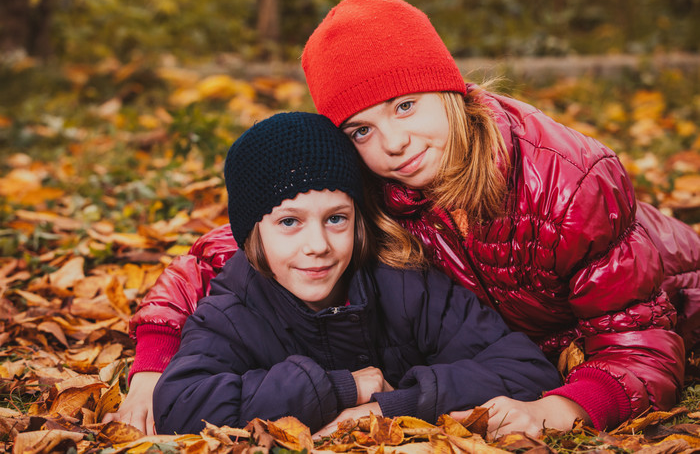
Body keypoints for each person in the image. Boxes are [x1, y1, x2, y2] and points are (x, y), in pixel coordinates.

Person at [106, 0, 700, 437]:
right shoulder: (368, 183)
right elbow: (226, 253)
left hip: (669, 293)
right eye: (362, 128)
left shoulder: (570, 184)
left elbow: (641, 339)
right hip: (509, 345)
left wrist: (563, 407)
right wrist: (154, 368)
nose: (392, 143)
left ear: (450, 90)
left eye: (406, 105)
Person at [151, 111, 561, 435]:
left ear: (358, 219)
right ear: (251, 232)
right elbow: (180, 403)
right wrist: (342, 388)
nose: (318, 245)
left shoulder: (403, 283)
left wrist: (390, 406)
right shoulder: (236, 308)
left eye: (336, 219)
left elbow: (524, 368)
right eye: (289, 222)